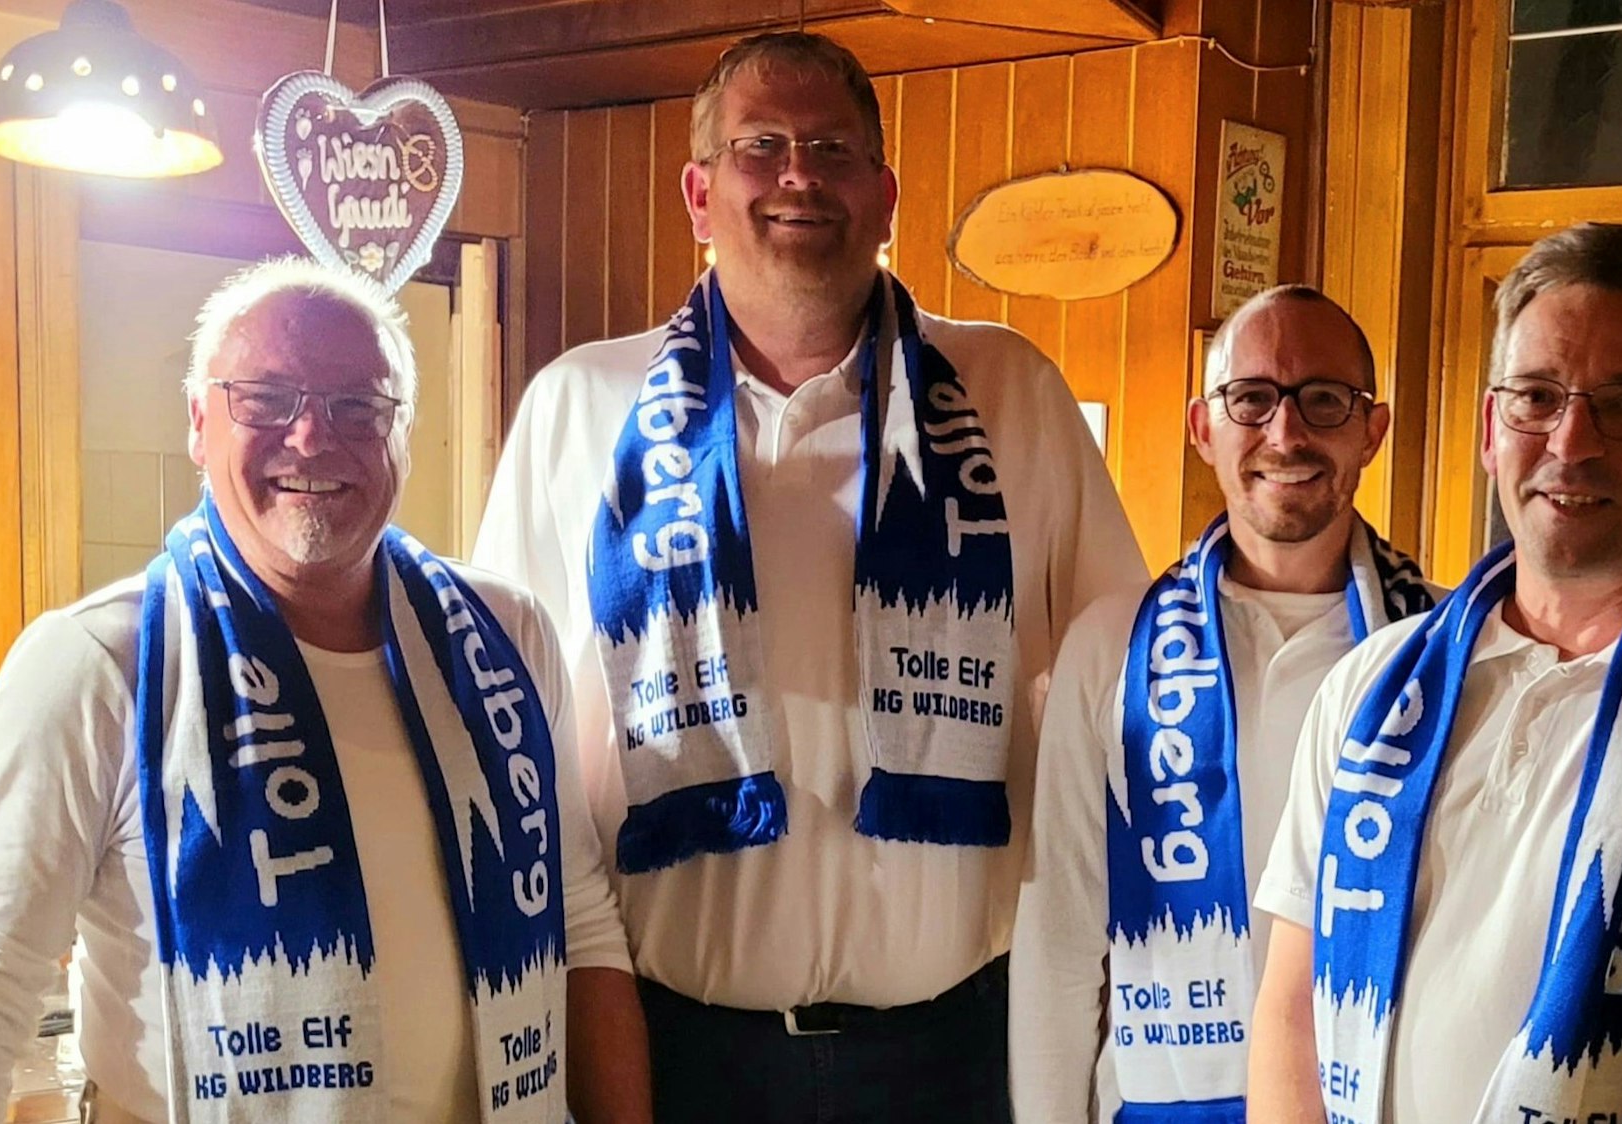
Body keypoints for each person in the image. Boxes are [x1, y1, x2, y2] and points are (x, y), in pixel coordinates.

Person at [470, 29, 1148, 1124]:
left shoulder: (1011, 392)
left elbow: (1123, 688)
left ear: (883, 195)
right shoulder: (577, 406)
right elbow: (508, 732)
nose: (798, 175)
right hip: (675, 1046)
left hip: (954, 1048)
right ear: (698, 193)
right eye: (761, 146)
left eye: (832, 149)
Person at [0, 258, 652, 1124]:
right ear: (200, 422)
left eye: (358, 405)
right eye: (267, 398)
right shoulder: (99, 663)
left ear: (402, 431)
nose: (313, 437)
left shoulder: (506, 634)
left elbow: (575, 917)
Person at [1247, 222, 1622, 1124]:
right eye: (1535, 396)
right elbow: (1292, 1014)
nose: (1571, 443)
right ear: (1492, 428)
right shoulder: (1370, 685)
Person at [1009, 286, 1438, 1123]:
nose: (1286, 433)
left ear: (1371, 430)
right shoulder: (1111, 645)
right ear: (1203, 426)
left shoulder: (1443, 647)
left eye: (1324, 400)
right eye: (1251, 399)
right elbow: (1060, 938)